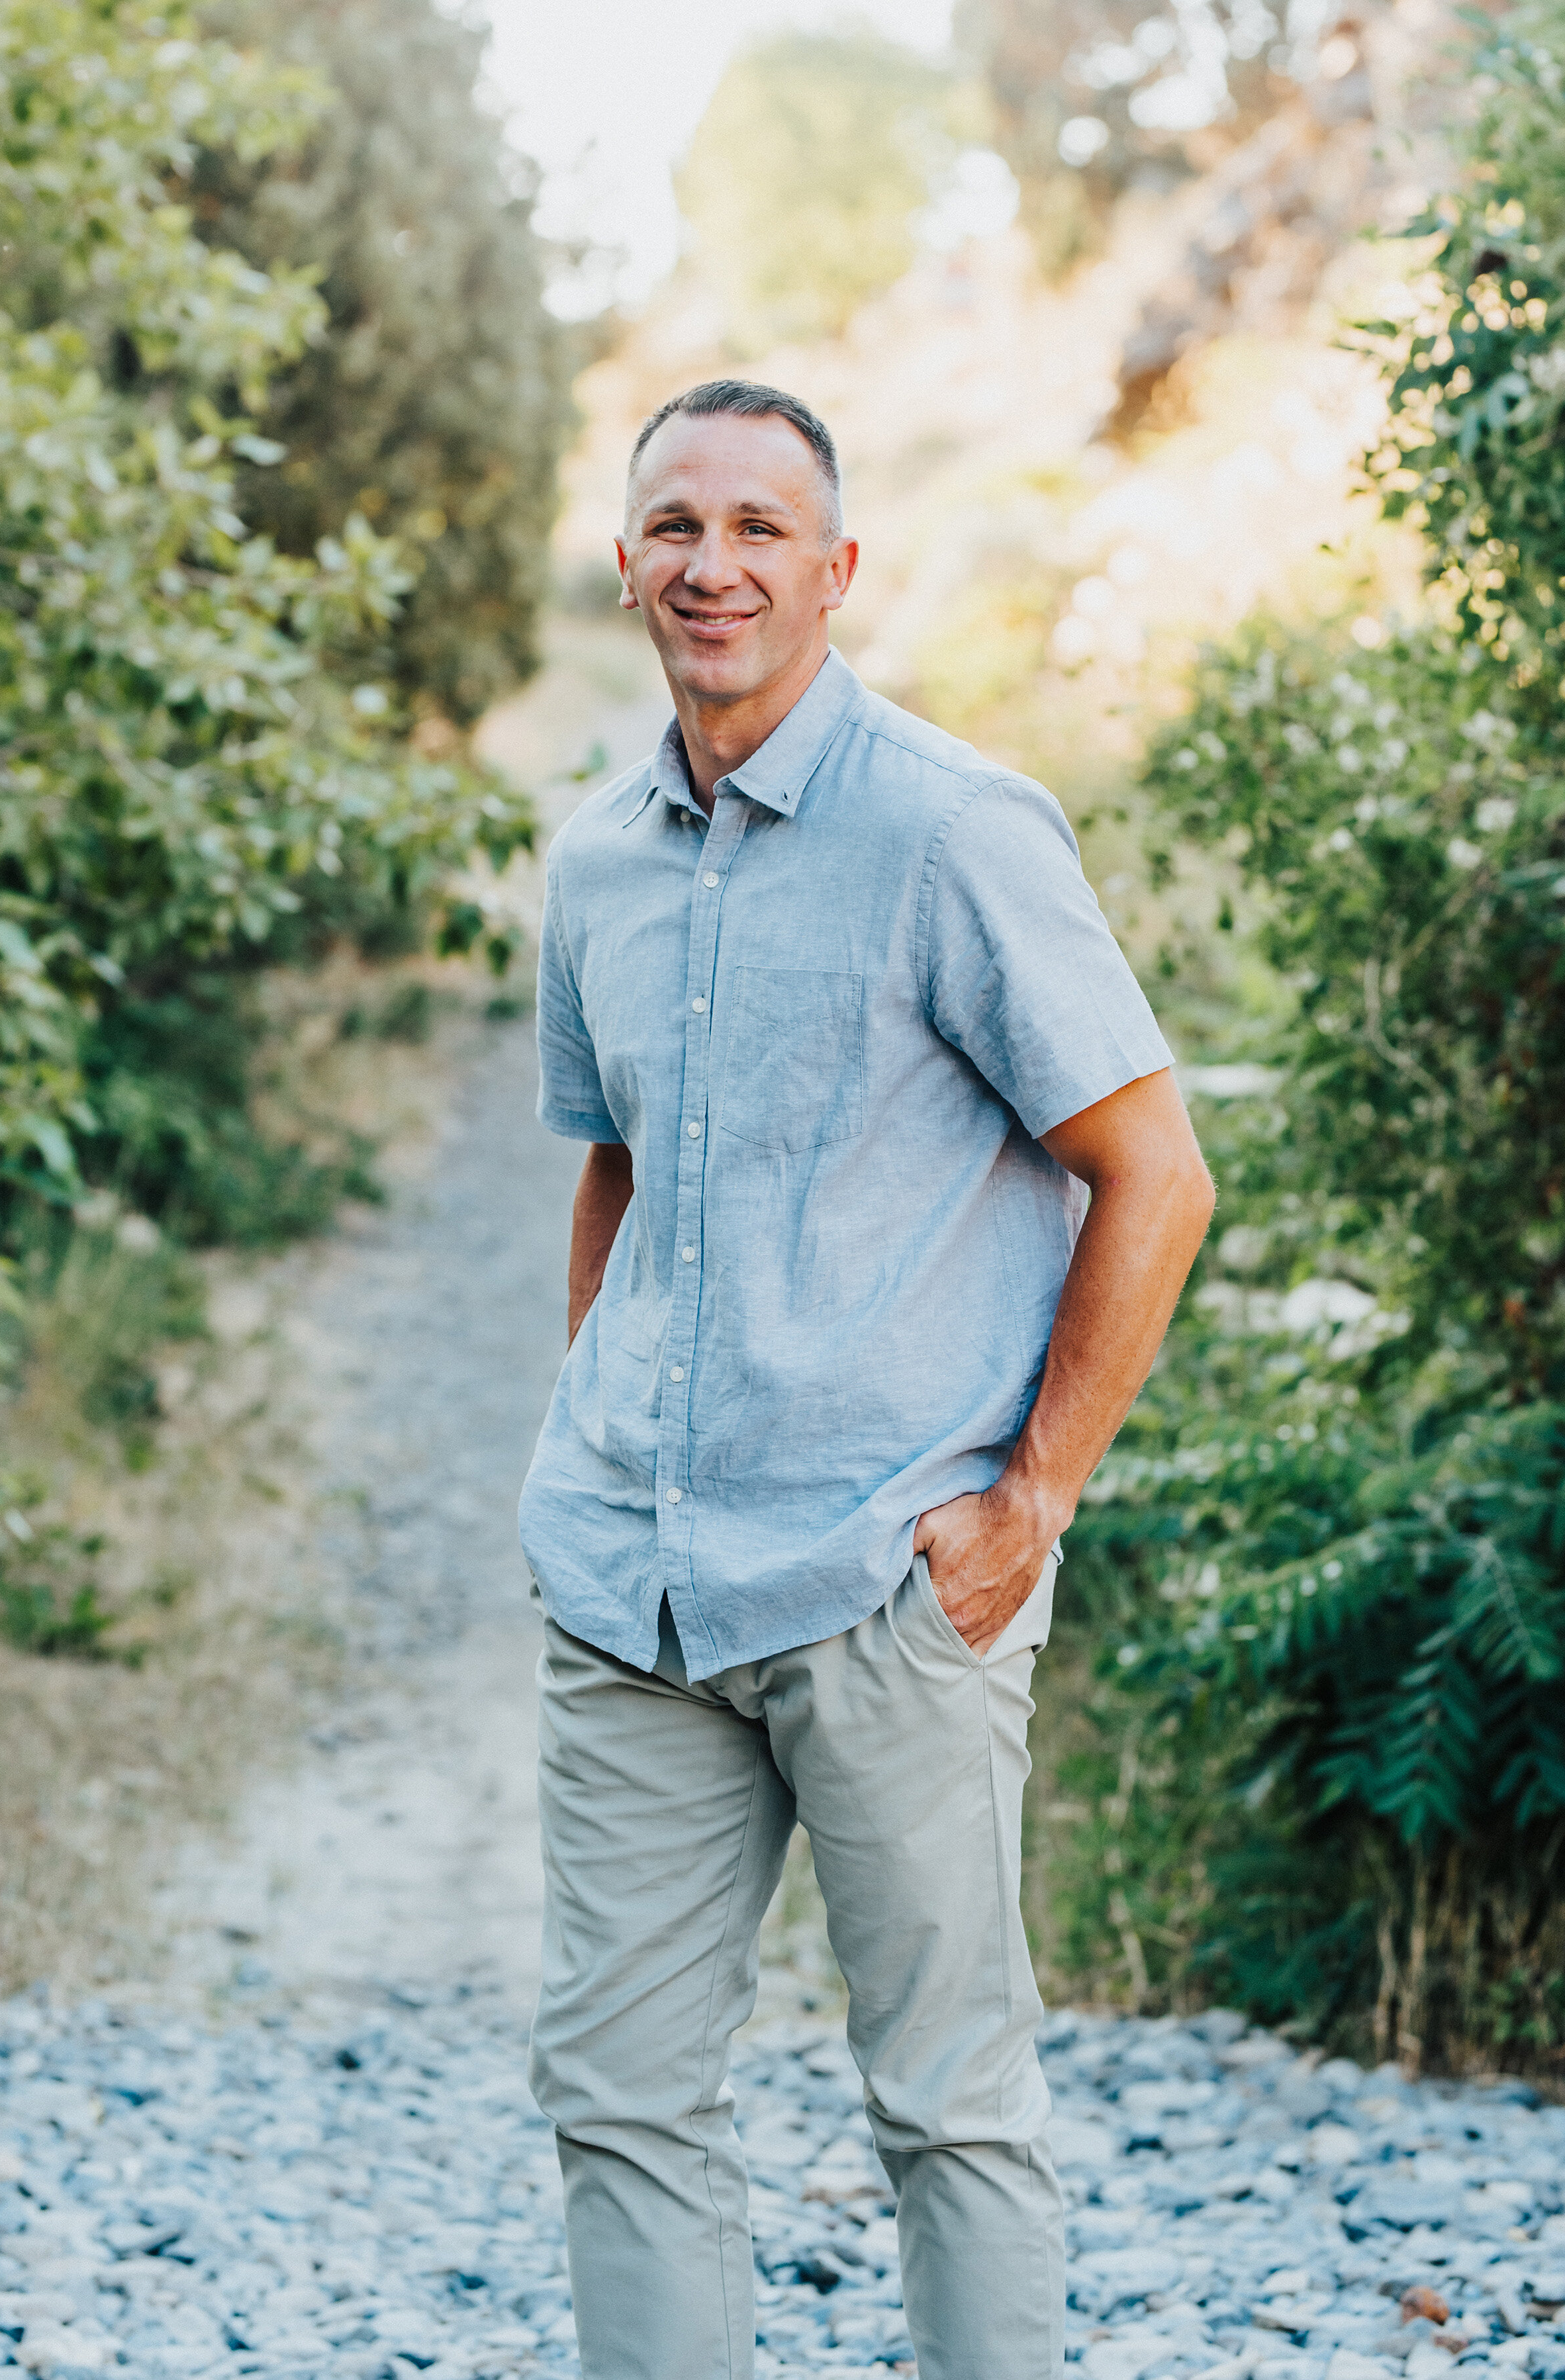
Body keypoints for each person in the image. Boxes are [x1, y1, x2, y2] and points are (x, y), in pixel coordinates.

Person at [519, 378, 1215, 2380]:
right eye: (673, 523)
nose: (709, 563)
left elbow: (1151, 1171)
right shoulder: (599, 863)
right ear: (628, 555)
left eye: (757, 528)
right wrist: (605, 1436)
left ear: (837, 571)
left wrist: (1034, 1500)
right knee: (622, 2099)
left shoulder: (956, 827)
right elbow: (618, 1170)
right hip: (627, 1590)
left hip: (888, 1577)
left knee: (947, 2105)